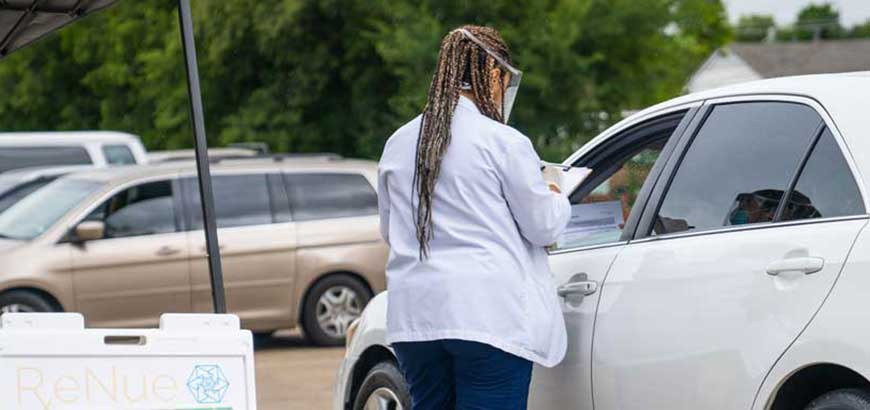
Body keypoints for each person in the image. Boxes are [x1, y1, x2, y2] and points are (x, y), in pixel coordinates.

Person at [377, 25, 571, 409]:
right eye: (504, 81)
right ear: (494, 74)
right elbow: (543, 225)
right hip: (486, 318)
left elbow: (390, 230)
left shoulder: (398, 143)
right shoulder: (502, 141)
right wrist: (556, 194)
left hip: (416, 318)